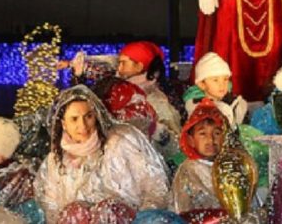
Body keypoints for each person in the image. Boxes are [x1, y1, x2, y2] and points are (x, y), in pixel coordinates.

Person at [34, 85, 169, 223]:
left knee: (107, 209)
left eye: (88, 116)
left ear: (97, 116)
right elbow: (51, 207)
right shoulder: (56, 160)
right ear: (63, 124)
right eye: (74, 119)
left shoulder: (120, 141)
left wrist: (143, 219)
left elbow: (155, 186)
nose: (83, 125)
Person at [117, 41, 182, 160]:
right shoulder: (121, 92)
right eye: (119, 63)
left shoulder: (155, 98)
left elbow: (174, 143)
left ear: (139, 66)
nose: (119, 68)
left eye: (124, 63)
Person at [171, 99, 225, 214]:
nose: (210, 140)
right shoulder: (188, 171)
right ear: (191, 140)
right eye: (202, 134)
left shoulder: (228, 166)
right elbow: (185, 210)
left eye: (216, 133)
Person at [183, 52, 247, 130]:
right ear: (201, 84)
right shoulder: (195, 107)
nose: (222, 85)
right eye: (215, 80)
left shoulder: (236, 104)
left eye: (225, 79)